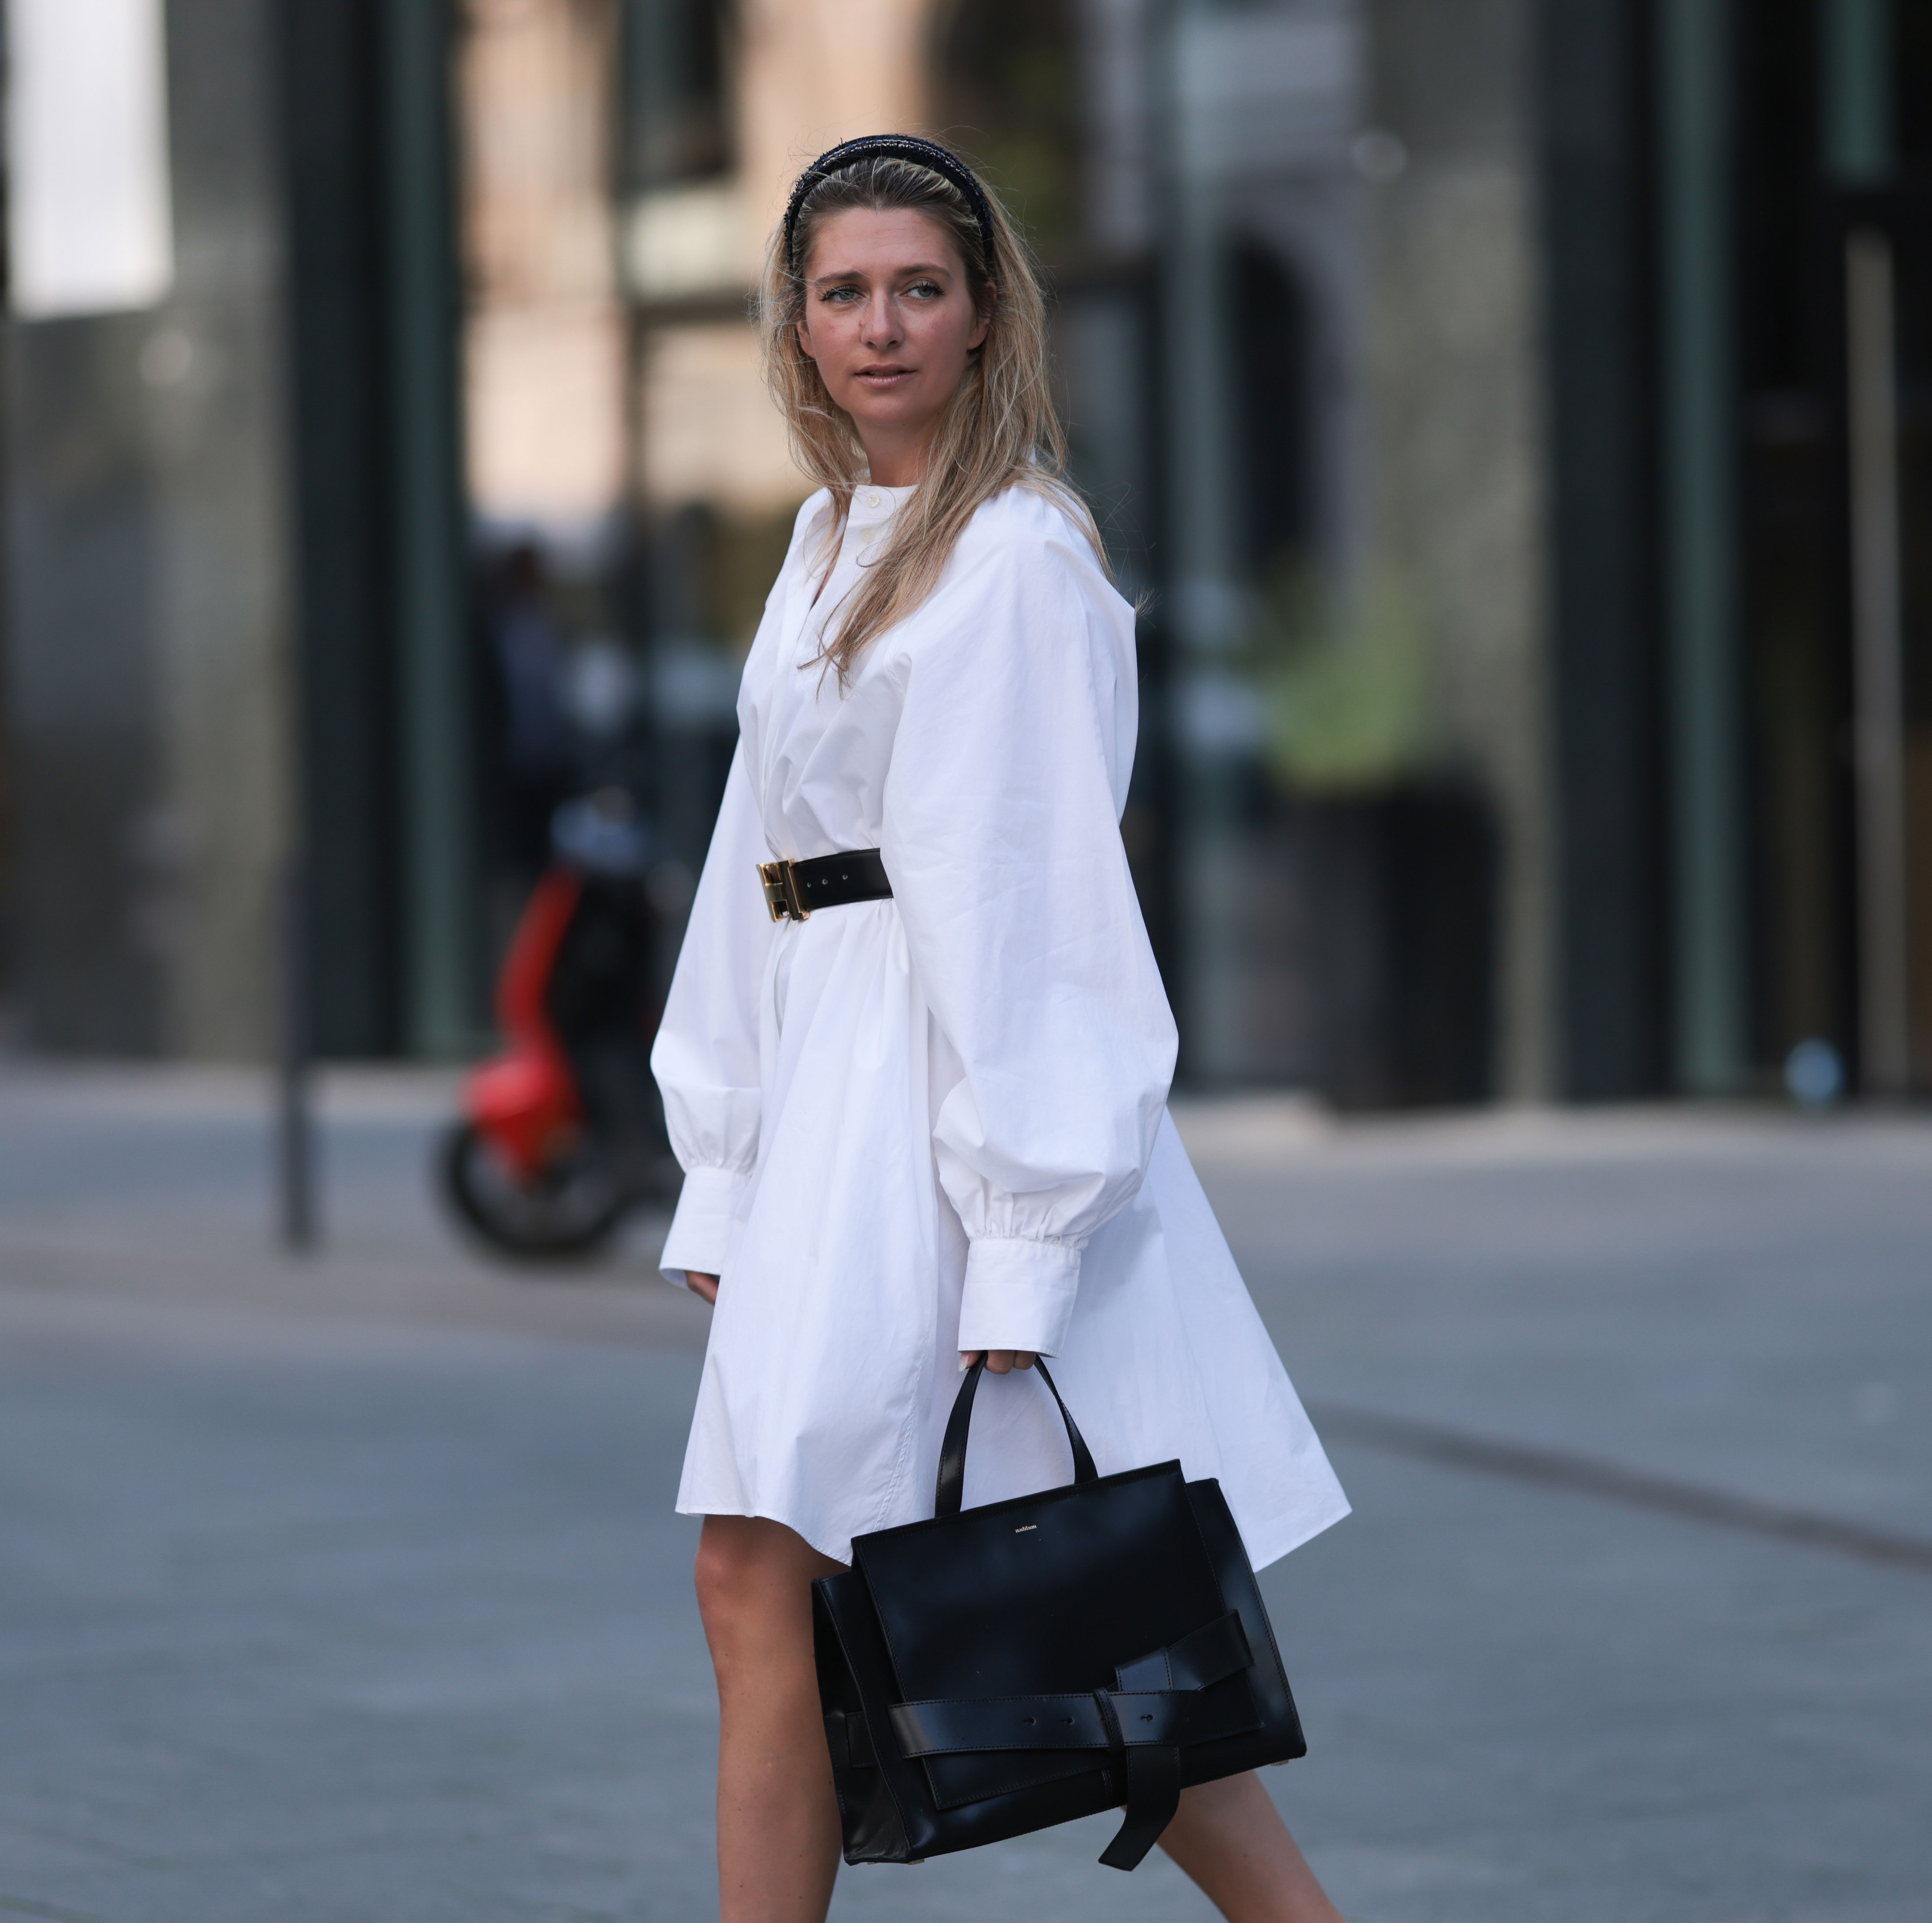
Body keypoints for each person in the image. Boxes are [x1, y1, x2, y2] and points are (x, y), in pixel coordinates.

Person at [651, 135, 1352, 1923]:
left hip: (938, 1115)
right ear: (794, 325)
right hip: (826, 1102)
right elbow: (761, 866)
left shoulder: (1020, 559)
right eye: (842, 292)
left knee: (939, 1591)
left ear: (982, 318)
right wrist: (721, 1169)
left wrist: (1020, 1248)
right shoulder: (823, 542)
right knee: (953, 1607)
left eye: (918, 288)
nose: (879, 325)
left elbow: (1036, 922)